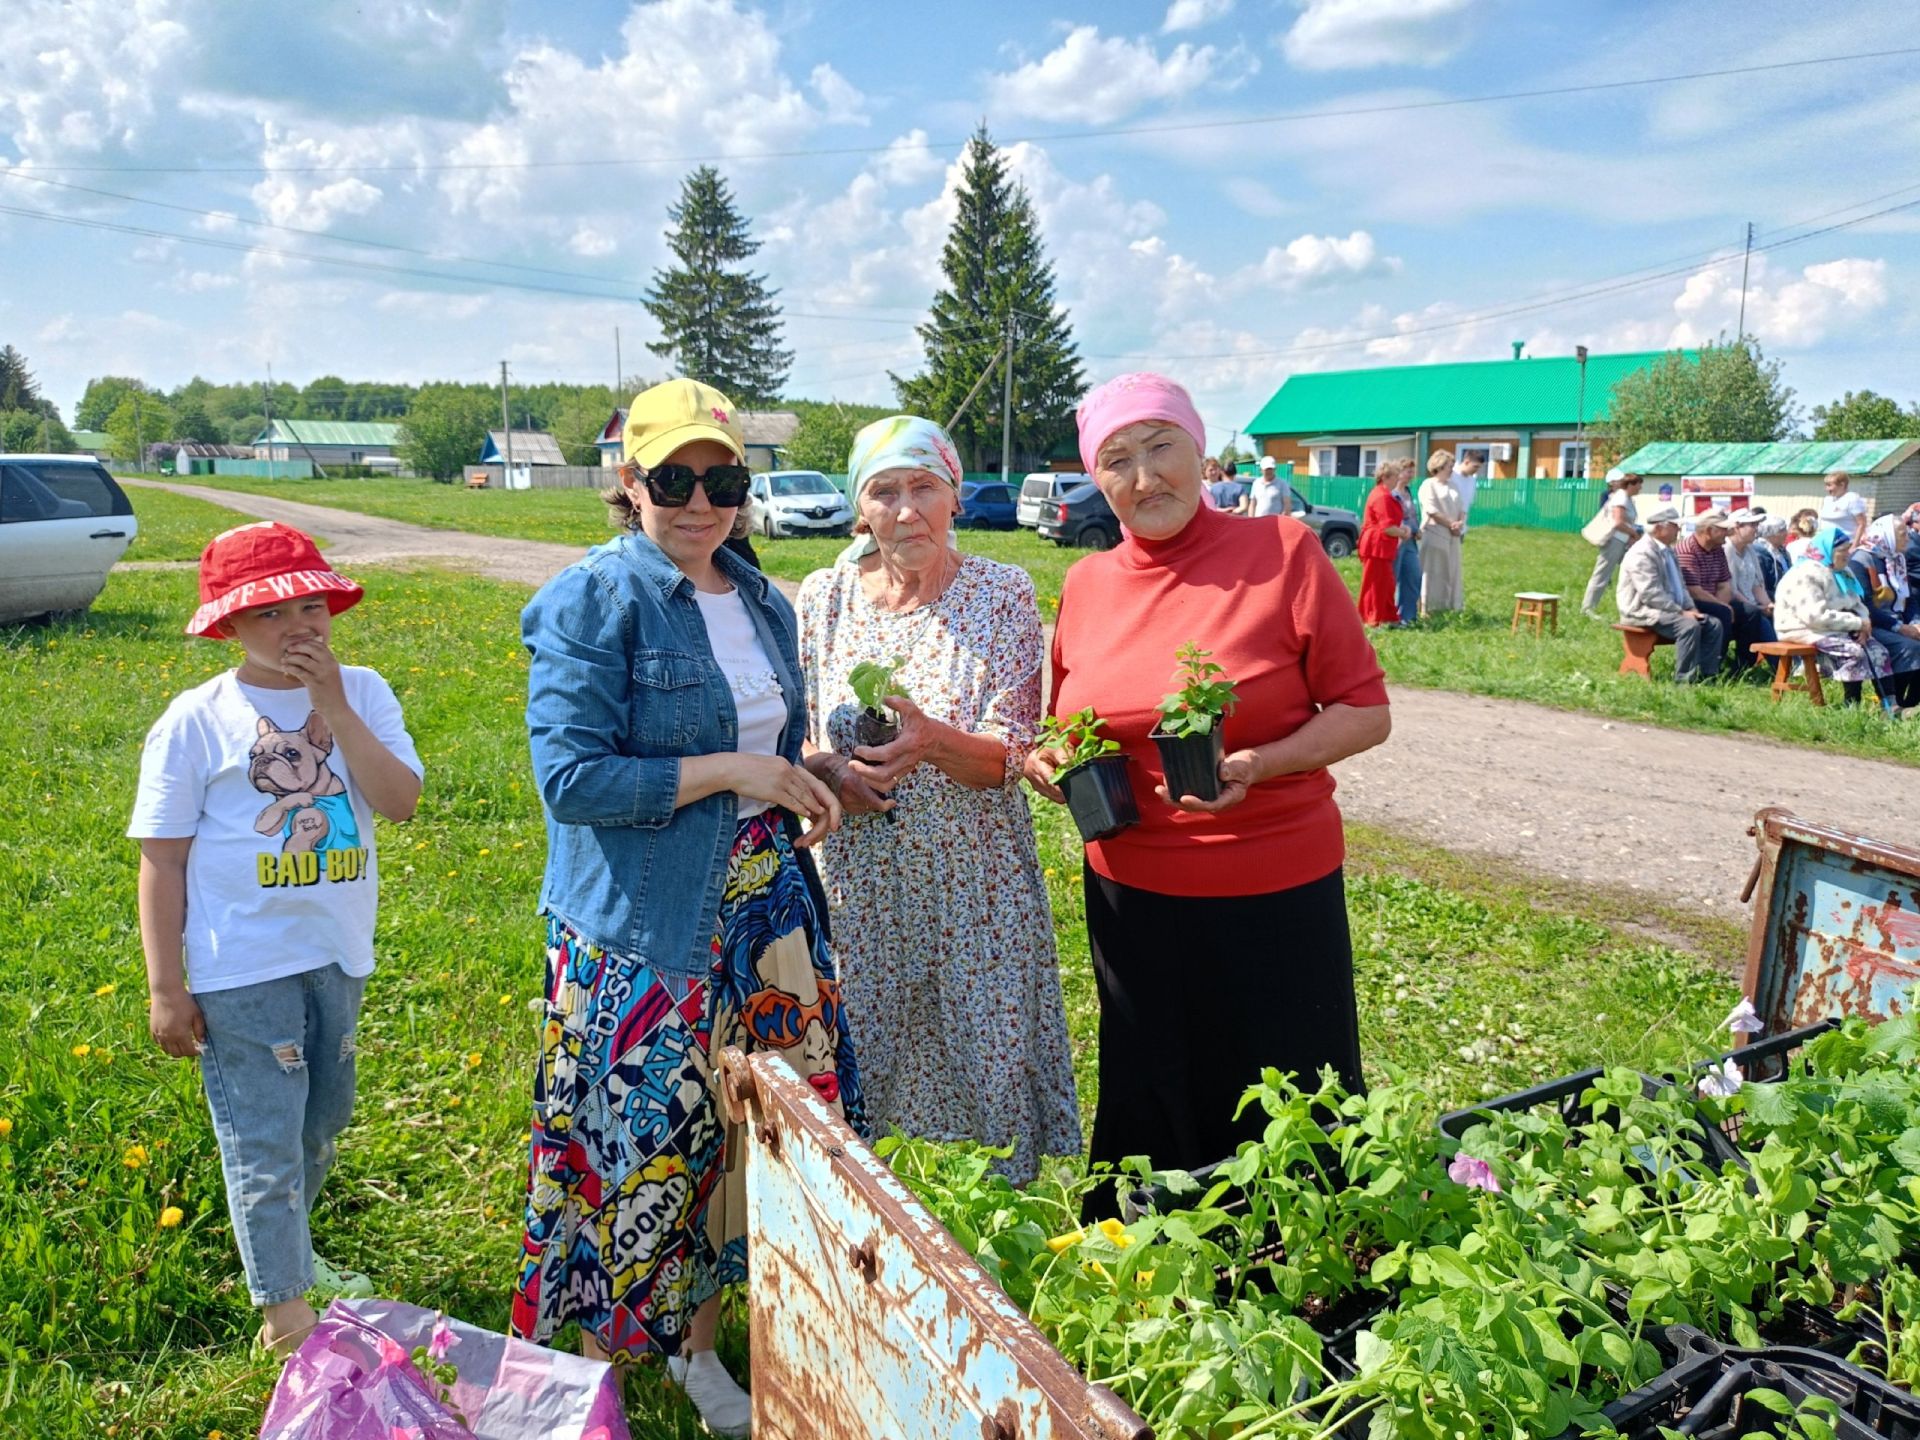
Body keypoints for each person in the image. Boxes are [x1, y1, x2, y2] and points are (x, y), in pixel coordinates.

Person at [515, 378, 861, 1436]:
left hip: (768, 917)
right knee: (637, 1144)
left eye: (723, 479)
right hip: (646, 926)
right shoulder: (596, 598)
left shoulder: (759, 597)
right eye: (674, 478)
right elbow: (571, 781)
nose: (701, 500)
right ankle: (597, 1369)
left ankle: (701, 1351)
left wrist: (811, 777)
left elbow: (758, 749)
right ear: (629, 484)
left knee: (746, 1142)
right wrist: (729, 773)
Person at [1025, 372, 1391, 1200]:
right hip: (1132, 891)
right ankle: (1156, 1265)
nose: (1145, 477)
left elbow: (1365, 711)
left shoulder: (1284, 553)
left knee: (1287, 1101)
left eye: (1162, 448)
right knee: (1152, 1081)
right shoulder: (1087, 586)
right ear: (1097, 478)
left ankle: (1295, 1268)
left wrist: (1266, 763)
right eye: (1117, 459)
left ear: (1202, 452)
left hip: (1274, 884)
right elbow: (1066, 722)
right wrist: (1050, 764)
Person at [130, 522, 424, 1354]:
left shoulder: (362, 692)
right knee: (263, 1135)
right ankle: (286, 1319)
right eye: (267, 615)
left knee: (322, 1121)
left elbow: (398, 801)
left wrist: (330, 705)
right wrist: (164, 986)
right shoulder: (197, 720)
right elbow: (162, 859)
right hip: (240, 967)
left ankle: (292, 1255)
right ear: (226, 626)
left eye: (309, 604)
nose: (298, 626)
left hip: (334, 955)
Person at [795, 415, 1079, 1187]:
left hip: (973, 892)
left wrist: (930, 741)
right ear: (861, 509)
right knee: (862, 1079)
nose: (905, 509)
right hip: (860, 890)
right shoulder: (823, 598)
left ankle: (993, 1258)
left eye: (924, 487)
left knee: (989, 1085)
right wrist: (830, 772)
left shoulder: (1000, 593)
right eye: (884, 491)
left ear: (954, 496)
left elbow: (1008, 755)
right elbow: (791, 734)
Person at [1774, 524, 1899, 712]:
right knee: (1854, 652)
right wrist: (1856, 623)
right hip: (1804, 628)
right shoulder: (1806, 574)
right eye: (1843, 551)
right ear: (1828, 551)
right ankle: (1851, 704)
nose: (1848, 554)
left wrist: (1863, 625)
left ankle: (1889, 705)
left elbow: (1859, 604)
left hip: (1840, 626)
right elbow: (1814, 616)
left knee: (1877, 650)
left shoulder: (1843, 572)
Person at [1616, 506, 1723, 684]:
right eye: (1674, 526)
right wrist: (1681, 612)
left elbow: (1681, 586)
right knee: (1689, 626)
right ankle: (1684, 681)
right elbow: (1651, 594)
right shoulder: (1642, 553)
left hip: (1667, 610)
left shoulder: (1668, 550)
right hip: (1643, 611)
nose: (1678, 530)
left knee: (1713, 624)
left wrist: (1691, 607)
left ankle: (1707, 677)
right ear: (1658, 528)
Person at [1676, 509, 1771, 674]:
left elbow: (1725, 585)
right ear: (1709, 531)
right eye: (1723, 529)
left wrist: (1723, 604)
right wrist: (1723, 606)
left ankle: (1743, 667)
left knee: (1751, 612)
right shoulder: (1687, 549)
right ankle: (1712, 666)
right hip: (1690, 603)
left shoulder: (1717, 548)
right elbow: (1694, 591)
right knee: (1723, 613)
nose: (1727, 534)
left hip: (1714, 599)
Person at [1845, 518, 1920, 710]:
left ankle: (1910, 703)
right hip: (1873, 624)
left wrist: (1915, 622)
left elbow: (1910, 598)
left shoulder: (1897, 559)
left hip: (1900, 622)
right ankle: (1892, 704)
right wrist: (1901, 628)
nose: (1908, 539)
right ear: (1886, 534)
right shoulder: (1861, 560)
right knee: (1910, 647)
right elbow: (1865, 606)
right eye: (1902, 534)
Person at [1581, 474, 1644, 619]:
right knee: (1602, 574)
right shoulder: (1620, 497)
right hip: (1614, 540)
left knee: (1635, 572)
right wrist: (1634, 533)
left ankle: (1634, 607)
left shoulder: (1627, 498)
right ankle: (1587, 608)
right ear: (1631, 484)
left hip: (1623, 541)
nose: (1640, 488)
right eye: (1639, 484)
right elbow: (1618, 522)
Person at [1357, 458, 1412, 626]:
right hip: (1377, 546)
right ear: (1386, 477)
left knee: (1386, 583)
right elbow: (1387, 527)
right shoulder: (1382, 496)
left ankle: (1387, 617)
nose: (1398, 479)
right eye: (1395, 476)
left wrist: (1403, 529)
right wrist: (1403, 533)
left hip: (1381, 546)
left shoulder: (1384, 494)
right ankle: (1372, 619)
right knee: (1376, 584)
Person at [1417, 448, 1466, 614]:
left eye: (1452, 466)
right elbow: (1431, 510)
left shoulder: (1454, 485)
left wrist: (1460, 524)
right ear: (1438, 466)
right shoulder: (1428, 485)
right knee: (1433, 571)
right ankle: (1427, 607)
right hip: (1435, 533)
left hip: (1453, 536)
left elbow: (1462, 507)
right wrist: (1450, 524)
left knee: (1452, 570)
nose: (1451, 470)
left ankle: (1450, 605)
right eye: (1448, 466)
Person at [1726, 508, 1777, 636]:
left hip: (1753, 604)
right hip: (1736, 606)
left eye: (1757, 525)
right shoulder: (1726, 550)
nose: (1756, 529)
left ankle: (1791, 655)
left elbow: (1756, 585)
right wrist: (1757, 607)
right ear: (1737, 527)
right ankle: (1778, 656)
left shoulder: (1750, 550)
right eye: (1752, 525)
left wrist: (1768, 605)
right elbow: (1731, 589)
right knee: (1758, 618)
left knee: (1777, 614)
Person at [1389, 459, 1422, 624]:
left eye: (1412, 471)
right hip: (1397, 540)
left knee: (1413, 576)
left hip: (1412, 541)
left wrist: (1417, 530)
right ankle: (1389, 615)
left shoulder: (1409, 492)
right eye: (1407, 471)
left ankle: (1408, 617)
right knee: (1393, 577)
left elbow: (1414, 515)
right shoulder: (1392, 494)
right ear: (1398, 473)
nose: (1410, 475)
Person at [1818, 470, 1869, 546]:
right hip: (1826, 543)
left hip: (1845, 545)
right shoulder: (1827, 500)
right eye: (1826, 485)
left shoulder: (1852, 499)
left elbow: (1862, 524)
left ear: (1842, 485)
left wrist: (1854, 546)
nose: (1827, 489)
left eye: (1829, 485)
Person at [1756, 515, 1793, 596]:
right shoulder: (1759, 553)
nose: (1786, 533)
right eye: (1782, 530)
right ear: (1770, 534)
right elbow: (1761, 585)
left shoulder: (1783, 551)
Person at [1451, 450, 1483, 532]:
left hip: (1461, 526)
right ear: (1466, 462)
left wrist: (1461, 522)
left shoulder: (1472, 481)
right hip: (1447, 524)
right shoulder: (1451, 475)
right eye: (1475, 466)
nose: (1477, 470)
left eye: (1479, 467)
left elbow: (1467, 504)